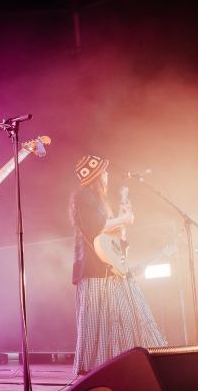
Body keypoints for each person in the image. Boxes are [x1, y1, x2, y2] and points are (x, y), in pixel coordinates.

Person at [69, 155, 167, 376]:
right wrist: (123, 220)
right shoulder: (83, 195)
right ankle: (96, 370)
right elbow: (95, 227)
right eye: (103, 172)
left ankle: (126, 363)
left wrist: (123, 222)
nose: (107, 176)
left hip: (110, 267)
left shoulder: (96, 200)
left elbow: (111, 238)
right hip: (94, 269)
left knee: (124, 316)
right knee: (99, 321)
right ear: (94, 176)